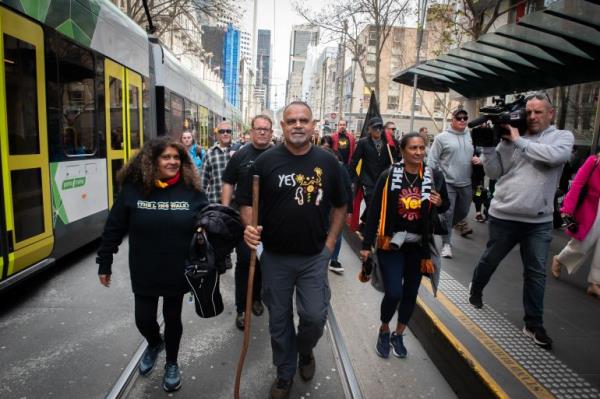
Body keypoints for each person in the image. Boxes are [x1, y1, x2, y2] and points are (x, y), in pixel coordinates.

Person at [240, 101, 347, 399]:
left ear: (313, 125)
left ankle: (306, 351)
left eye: (303, 120)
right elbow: (246, 202)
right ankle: (284, 373)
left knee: (313, 316)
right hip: (274, 257)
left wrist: (329, 245)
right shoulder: (265, 163)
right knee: (279, 321)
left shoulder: (328, 163)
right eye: (291, 121)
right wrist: (250, 230)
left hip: (314, 257)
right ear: (282, 126)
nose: (298, 125)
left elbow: (341, 205)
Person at [96, 138, 208, 392]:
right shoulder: (133, 190)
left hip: (178, 268)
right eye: (166, 157)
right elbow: (114, 227)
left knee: (173, 318)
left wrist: (210, 230)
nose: (172, 162)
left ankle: (171, 363)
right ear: (152, 161)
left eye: (176, 158)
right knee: (144, 319)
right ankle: (154, 343)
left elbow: (209, 218)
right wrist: (105, 261)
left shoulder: (192, 190)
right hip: (145, 267)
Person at [469, 93, 574, 349]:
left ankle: (533, 324)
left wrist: (518, 140)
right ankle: (476, 288)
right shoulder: (508, 138)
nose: (533, 117)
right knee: (490, 259)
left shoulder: (562, 137)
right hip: (504, 216)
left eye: (539, 112)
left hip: (539, 221)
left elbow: (553, 158)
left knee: (536, 273)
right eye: (529, 112)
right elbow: (493, 172)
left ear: (551, 113)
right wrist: (489, 147)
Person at [360, 132, 449, 358]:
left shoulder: (434, 175)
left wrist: (440, 203)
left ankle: (398, 334)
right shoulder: (388, 175)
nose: (419, 152)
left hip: (419, 246)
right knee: (393, 292)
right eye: (413, 148)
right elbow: (372, 213)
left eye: (422, 148)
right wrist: (366, 244)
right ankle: (384, 328)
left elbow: (445, 204)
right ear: (402, 150)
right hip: (391, 244)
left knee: (410, 293)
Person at [222, 115, 274, 330]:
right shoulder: (241, 155)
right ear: (251, 131)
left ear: (271, 133)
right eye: (258, 129)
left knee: (263, 263)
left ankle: (257, 299)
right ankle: (242, 307)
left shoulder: (278, 155)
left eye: (266, 129)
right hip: (245, 222)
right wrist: (224, 211)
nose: (262, 132)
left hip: (271, 223)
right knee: (245, 262)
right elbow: (228, 181)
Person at [428, 108, 477, 258]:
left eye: (465, 117)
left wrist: (480, 160)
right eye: (459, 118)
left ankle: (444, 225)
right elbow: (432, 161)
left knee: (463, 212)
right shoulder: (442, 138)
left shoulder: (471, 136)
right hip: (447, 182)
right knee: (448, 213)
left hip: (466, 182)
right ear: (452, 120)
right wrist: (433, 183)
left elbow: (481, 152)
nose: (462, 120)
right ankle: (446, 244)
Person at [552, 152, 600, 298]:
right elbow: (577, 184)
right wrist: (567, 209)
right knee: (583, 244)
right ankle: (560, 259)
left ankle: (595, 283)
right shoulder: (594, 161)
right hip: (592, 210)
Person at [350, 116, 398, 231]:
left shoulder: (389, 143)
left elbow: (395, 158)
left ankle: (365, 223)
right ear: (369, 129)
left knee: (380, 204)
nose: (378, 130)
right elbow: (355, 161)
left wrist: (394, 165)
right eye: (375, 128)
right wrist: (352, 179)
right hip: (367, 180)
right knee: (372, 204)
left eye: (380, 127)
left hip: (383, 180)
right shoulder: (363, 143)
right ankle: (370, 231)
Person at [319, 135, 352, 273]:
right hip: (319, 206)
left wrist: (349, 210)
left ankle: (333, 259)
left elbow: (347, 189)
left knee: (336, 231)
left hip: (335, 206)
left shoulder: (339, 166)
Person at [201, 120, 233, 204]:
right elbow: (203, 181)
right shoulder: (209, 153)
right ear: (217, 135)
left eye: (228, 131)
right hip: (214, 202)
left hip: (234, 203)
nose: (225, 133)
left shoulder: (239, 152)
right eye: (222, 131)